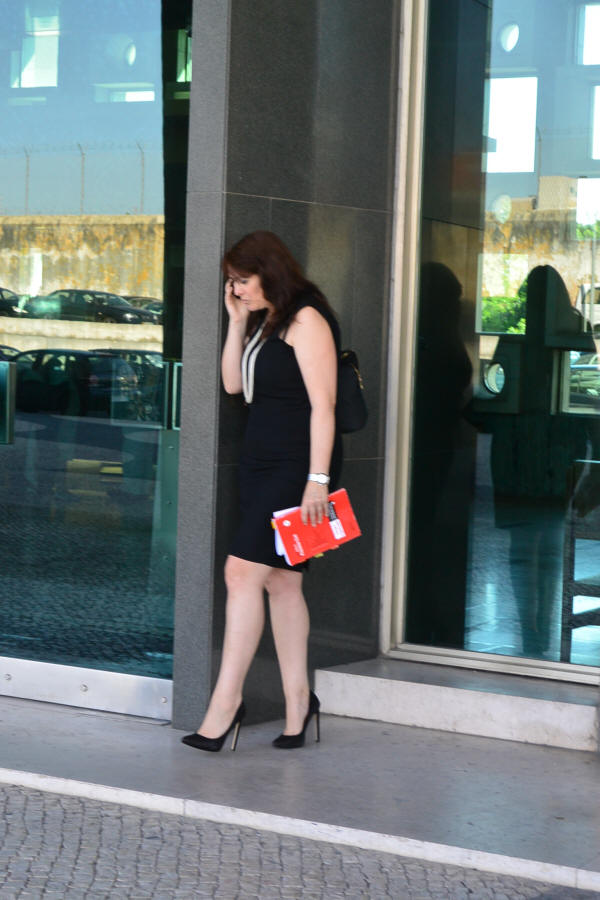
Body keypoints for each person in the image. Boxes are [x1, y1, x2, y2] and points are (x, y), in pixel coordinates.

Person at [182, 231, 342, 752]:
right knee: (282, 583)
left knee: (240, 572)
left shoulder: (307, 320)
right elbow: (234, 385)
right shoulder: (264, 322)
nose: (236, 289)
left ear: (268, 272)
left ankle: (226, 705)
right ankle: (298, 703)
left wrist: (317, 481)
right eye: (231, 281)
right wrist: (236, 322)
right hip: (258, 464)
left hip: (296, 469)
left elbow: (324, 407)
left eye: (242, 280)